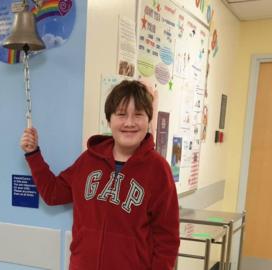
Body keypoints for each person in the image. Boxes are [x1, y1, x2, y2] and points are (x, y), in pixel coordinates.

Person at [20, 80, 179, 270]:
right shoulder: (88, 160)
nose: (129, 123)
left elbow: (167, 240)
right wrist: (33, 153)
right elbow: (52, 193)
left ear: (148, 119)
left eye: (138, 115)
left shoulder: (159, 170)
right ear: (109, 119)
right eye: (121, 114)